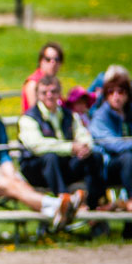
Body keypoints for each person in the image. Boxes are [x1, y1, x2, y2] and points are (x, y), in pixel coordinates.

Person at [0, 77, 79, 231]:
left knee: (19, 182)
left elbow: (4, 153)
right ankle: (56, 206)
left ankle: (52, 213)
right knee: (10, 184)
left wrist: (9, 170)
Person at [18, 74, 105, 213]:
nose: (49, 95)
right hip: (37, 170)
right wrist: (70, 147)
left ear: (59, 93)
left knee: (94, 157)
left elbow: (83, 134)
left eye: (53, 91)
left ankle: (93, 206)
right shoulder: (28, 118)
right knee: (50, 157)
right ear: (38, 95)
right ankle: (65, 202)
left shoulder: (69, 115)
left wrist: (85, 147)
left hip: (63, 166)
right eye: (44, 92)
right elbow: (37, 146)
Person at [90, 71, 132, 205]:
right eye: (111, 92)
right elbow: (114, 145)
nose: (116, 96)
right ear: (106, 95)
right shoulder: (100, 116)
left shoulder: (129, 113)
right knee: (127, 158)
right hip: (106, 168)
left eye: (121, 92)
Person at [21, 42, 64, 112]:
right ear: (41, 61)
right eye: (48, 59)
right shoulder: (33, 83)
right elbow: (35, 113)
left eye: (56, 59)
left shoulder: (54, 82)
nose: (53, 63)